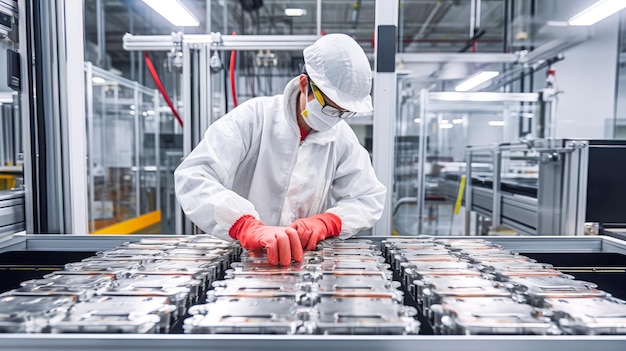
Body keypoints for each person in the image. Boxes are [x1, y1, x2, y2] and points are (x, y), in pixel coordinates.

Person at [174, 33, 386, 265]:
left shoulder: (342, 137)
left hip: (302, 262)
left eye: (344, 112)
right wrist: (244, 225)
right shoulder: (254, 117)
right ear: (304, 85)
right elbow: (193, 177)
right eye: (330, 108)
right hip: (241, 259)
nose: (336, 119)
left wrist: (329, 221)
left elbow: (368, 197)